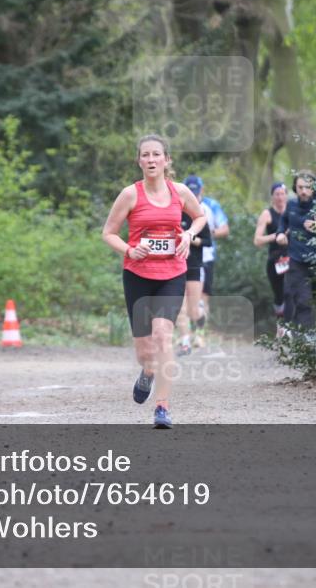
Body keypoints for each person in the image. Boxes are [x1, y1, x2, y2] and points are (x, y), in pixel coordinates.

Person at [102, 135, 206, 429]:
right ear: (139, 161)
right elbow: (108, 232)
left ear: (166, 160)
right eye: (145, 155)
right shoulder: (130, 195)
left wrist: (188, 235)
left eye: (156, 154)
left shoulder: (181, 192)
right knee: (145, 352)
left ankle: (162, 406)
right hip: (137, 275)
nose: (150, 160)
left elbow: (200, 218)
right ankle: (147, 372)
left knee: (163, 335)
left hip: (172, 273)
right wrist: (129, 249)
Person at [184, 175, 229, 347]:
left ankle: (200, 333)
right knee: (187, 299)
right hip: (185, 258)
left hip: (207, 256)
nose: (194, 195)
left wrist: (202, 236)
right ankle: (187, 334)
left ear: (201, 190)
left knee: (202, 297)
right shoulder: (181, 205)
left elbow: (224, 229)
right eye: (190, 192)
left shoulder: (211, 206)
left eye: (196, 192)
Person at [275, 170, 316, 330]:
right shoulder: (291, 204)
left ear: (314, 188)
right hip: (297, 261)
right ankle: (306, 343)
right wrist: (280, 233)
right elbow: (283, 221)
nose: (303, 191)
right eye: (300, 187)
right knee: (302, 302)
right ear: (295, 188)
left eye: (307, 187)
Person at [175, 198, 212, 356]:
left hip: (194, 266)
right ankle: (185, 342)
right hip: (175, 266)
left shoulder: (198, 217)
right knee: (179, 307)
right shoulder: (173, 214)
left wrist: (190, 238)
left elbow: (208, 242)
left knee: (193, 311)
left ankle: (200, 316)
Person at [253, 182, 289, 336]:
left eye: (282, 194)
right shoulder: (267, 214)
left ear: (286, 195)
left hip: (293, 258)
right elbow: (257, 240)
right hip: (276, 261)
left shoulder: (292, 210)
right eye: (277, 194)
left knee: (292, 292)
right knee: (280, 295)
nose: (280, 197)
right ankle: (281, 327)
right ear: (272, 196)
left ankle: (291, 329)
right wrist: (276, 236)